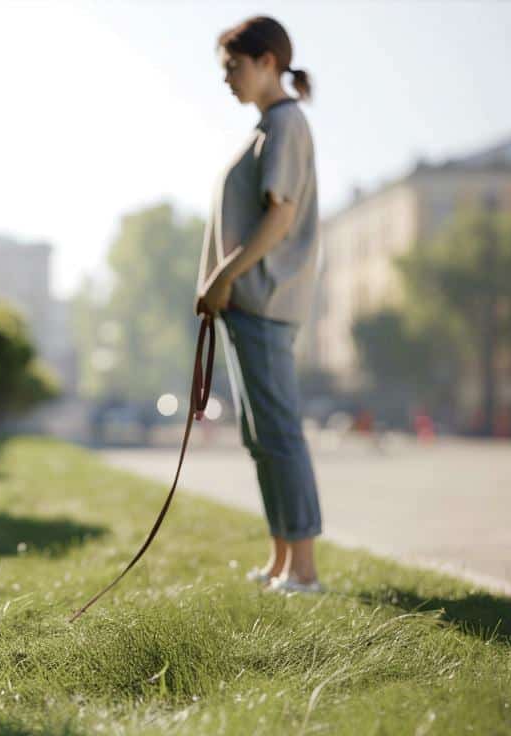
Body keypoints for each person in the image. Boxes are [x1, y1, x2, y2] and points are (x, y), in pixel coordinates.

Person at [196, 16, 324, 594]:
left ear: (268, 61)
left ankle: (305, 570)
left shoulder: (286, 123)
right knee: (259, 435)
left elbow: (281, 216)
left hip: (264, 300)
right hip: (244, 306)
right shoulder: (264, 128)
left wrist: (223, 276)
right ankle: (280, 562)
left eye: (234, 66)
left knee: (279, 433)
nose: (227, 79)